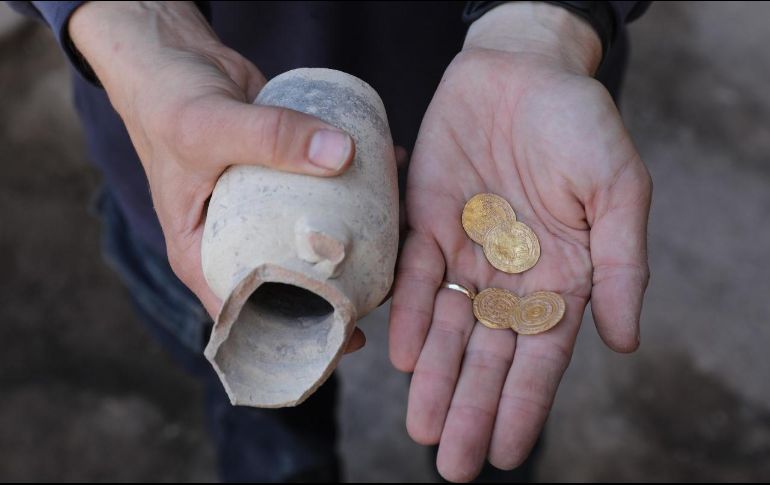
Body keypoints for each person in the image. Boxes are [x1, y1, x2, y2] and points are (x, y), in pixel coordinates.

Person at [8, 1, 652, 482]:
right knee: (268, 426)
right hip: (193, 152)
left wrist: (544, 24)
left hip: (502, 138)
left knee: (482, 408)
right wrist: (133, 20)